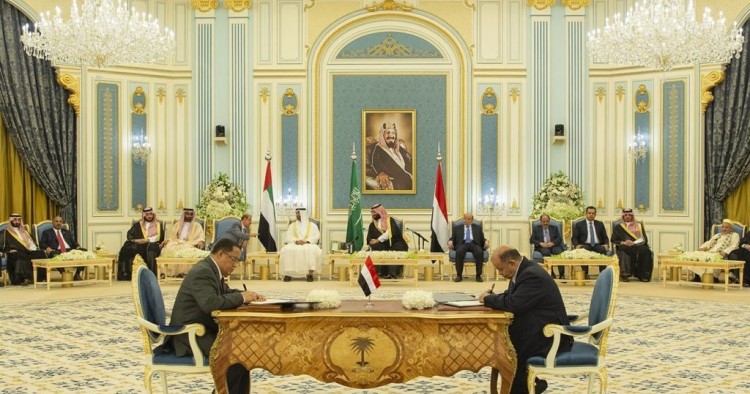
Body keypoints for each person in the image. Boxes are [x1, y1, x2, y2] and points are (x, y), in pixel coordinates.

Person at [166, 238, 266, 394]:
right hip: (190, 334)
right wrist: (242, 298)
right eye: (233, 259)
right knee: (236, 358)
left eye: (237, 261)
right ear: (220, 254)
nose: (235, 265)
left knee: (243, 354)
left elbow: (224, 292)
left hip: (204, 329)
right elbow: (210, 303)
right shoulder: (203, 271)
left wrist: (248, 295)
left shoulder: (211, 269)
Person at [479, 246, 572, 394]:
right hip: (539, 328)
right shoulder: (522, 271)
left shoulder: (531, 275)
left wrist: (488, 299)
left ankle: (522, 389)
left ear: (511, 263)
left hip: (552, 337)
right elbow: (512, 297)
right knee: (505, 338)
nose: (500, 274)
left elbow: (513, 304)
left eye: (501, 269)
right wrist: (494, 298)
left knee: (509, 346)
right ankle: (530, 386)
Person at [117, 207, 164, 280]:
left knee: (151, 250)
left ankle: (151, 275)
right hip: (140, 244)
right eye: (147, 214)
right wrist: (136, 240)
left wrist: (148, 240)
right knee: (128, 249)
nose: (149, 216)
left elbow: (160, 238)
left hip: (152, 244)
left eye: (151, 214)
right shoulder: (138, 224)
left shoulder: (158, 225)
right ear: (144, 215)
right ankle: (130, 275)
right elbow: (129, 234)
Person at [366, 122, 413, 191]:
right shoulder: (376, 150)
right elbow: (367, 167)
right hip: (398, 186)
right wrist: (379, 173)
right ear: (382, 135)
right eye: (388, 133)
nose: (391, 135)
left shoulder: (399, 149)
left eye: (393, 133)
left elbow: (411, 162)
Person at [1, 213, 45, 285]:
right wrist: (8, 251)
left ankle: (38, 278)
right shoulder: (5, 232)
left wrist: (33, 248)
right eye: (15, 220)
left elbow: (31, 242)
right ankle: (23, 279)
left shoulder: (25, 232)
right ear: (11, 220)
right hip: (15, 252)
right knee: (20, 255)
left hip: (28, 251)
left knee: (41, 253)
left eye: (19, 220)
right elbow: (1, 246)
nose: (17, 222)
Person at [366, 204, 408, 278]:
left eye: (374, 212)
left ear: (380, 212)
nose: (373, 214)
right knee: (377, 246)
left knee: (399, 247)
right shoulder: (372, 224)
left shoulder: (389, 220)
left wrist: (378, 240)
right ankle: (380, 272)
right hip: (382, 244)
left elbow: (389, 233)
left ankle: (393, 273)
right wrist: (371, 241)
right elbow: (369, 237)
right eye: (372, 212)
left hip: (394, 241)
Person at [160, 208, 206, 277]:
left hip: (190, 243)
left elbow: (201, 236)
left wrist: (200, 241)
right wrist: (168, 240)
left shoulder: (197, 225)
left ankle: (184, 273)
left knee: (186, 250)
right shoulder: (177, 225)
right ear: (184, 214)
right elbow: (172, 236)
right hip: (176, 242)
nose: (189, 216)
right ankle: (168, 272)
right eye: (187, 214)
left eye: (191, 214)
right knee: (167, 249)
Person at [280, 208, 322, 282]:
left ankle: (310, 274)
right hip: (295, 243)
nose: (297, 215)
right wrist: (296, 241)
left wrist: (307, 241)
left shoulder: (312, 225)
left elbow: (316, 236)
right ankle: (288, 274)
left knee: (311, 250)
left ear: (303, 214)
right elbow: (288, 236)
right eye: (296, 213)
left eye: (298, 213)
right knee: (287, 250)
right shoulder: (292, 225)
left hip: (308, 244)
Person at [611, 208, 653, 282]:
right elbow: (614, 239)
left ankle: (644, 275)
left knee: (646, 251)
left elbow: (644, 239)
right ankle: (625, 275)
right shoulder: (618, 227)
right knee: (623, 250)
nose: (627, 216)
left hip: (637, 245)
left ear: (632, 216)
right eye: (626, 215)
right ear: (623, 216)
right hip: (625, 246)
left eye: (629, 215)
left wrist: (634, 242)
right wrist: (624, 242)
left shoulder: (638, 225)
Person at [39, 215, 85, 280]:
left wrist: (78, 247)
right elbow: (42, 243)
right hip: (56, 250)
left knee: (83, 251)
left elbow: (74, 242)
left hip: (69, 250)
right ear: (53, 223)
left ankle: (77, 274)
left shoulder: (67, 232)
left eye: (60, 221)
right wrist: (47, 248)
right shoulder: (47, 232)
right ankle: (64, 273)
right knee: (54, 254)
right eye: (56, 221)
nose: (59, 223)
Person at [447, 212, 488, 282]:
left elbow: (482, 239)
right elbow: (453, 238)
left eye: (469, 219)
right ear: (463, 219)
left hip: (474, 244)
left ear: (472, 220)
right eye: (465, 218)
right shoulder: (457, 228)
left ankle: (478, 275)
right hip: (462, 244)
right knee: (459, 252)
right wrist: (450, 241)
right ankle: (459, 275)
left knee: (479, 252)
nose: (467, 220)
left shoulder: (478, 228)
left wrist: (486, 241)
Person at [571, 206, 609, 279]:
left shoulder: (600, 224)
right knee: (583, 250)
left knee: (602, 249)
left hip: (597, 245)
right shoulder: (579, 224)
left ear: (595, 214)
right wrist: (576, 245)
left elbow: (605, 237)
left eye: (593, 213)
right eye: (589, 213)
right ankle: (585, 273)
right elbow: (574, 237)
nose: (591, 215)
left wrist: (606, 244)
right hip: (585, 244)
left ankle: (602, 274)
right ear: (586, 214)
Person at [529, 214, 564, 278]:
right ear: (540, 221)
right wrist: (540, 243)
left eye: (547, 221)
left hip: (553, 246)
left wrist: (552, 243)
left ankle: (561, 274)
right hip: (542, 247)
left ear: (549, 221)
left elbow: (559, 239)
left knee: (559, 252)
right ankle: (551, 273)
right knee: (545, 252)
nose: (545, 223)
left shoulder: (554, 228)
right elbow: (532, 240)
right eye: (544, 221)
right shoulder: (536, 229)